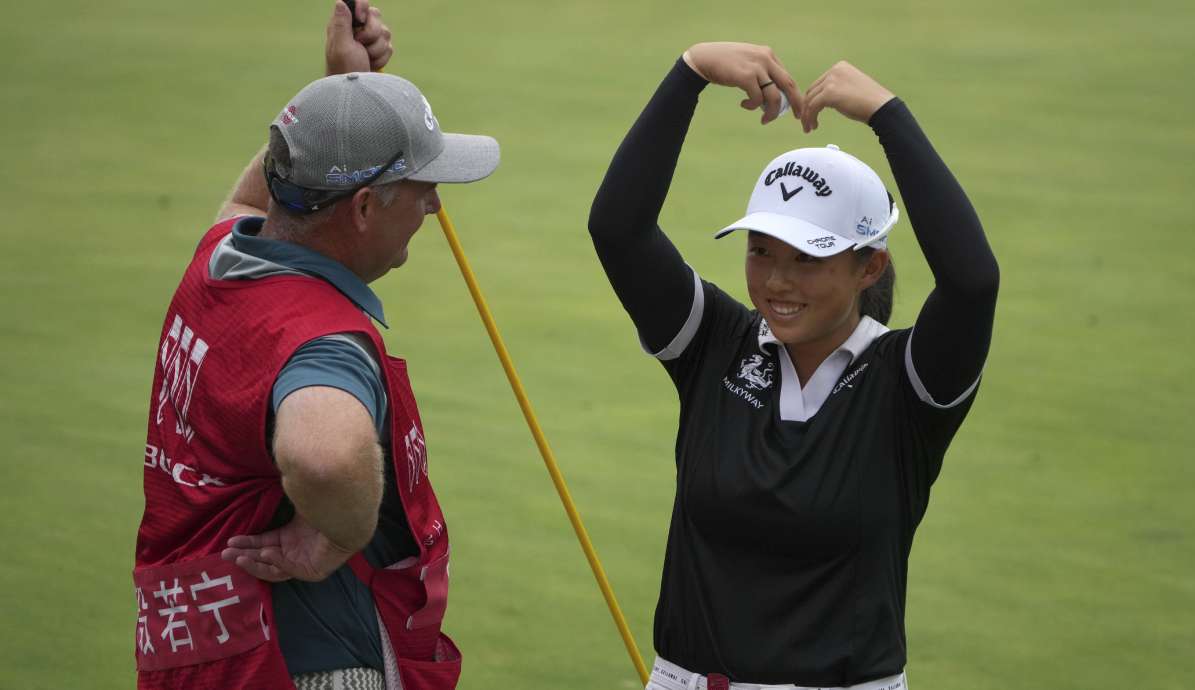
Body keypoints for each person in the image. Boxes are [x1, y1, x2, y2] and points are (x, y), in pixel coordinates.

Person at [588, 42, 999, 689]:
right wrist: (690, 72)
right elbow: (619, 228)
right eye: (760, 251)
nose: (777, 281)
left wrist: (888, 116)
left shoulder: (906, 385)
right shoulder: (716, 345)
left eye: (809, 257)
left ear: (870, 266)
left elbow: (972, 283)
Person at [132, 3, 499, 689]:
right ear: (362, 209)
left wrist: (339, 97)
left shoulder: (223, 258)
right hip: (308, 657)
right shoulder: (322, 339)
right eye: (422, 190)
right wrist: (332, 535)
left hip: (199, 650)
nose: (434, 208)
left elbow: (258, 198)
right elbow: (325, 456)